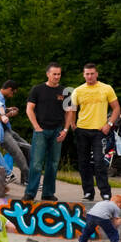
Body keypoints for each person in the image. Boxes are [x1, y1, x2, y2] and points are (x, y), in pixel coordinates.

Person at [70, 63, 119, 202]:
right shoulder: (78, 91)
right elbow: (72, 110)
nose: (89, 76)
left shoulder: (106, 88)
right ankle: (88, 193)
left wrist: (109, 124)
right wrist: (73, 125)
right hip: (82, 130)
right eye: (87, 74)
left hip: (99, 131)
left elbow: (116, 108)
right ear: (83, 75)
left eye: (92, 73)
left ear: (96, 74)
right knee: (83, 162)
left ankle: (105, 193)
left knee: (99, 162)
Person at [24, 63, 69, 202]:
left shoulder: (66, 91)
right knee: (36, 164)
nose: (57, 77)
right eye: (54, 74)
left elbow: (69, 112)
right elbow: (29, 109)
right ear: (48, 74)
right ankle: (30, 193)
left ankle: (48, 193)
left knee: (53, 164)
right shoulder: (37, 89)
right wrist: (36, 127)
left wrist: (66, 130)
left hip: (57, 131)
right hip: (41, 131)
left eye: (59, 74)